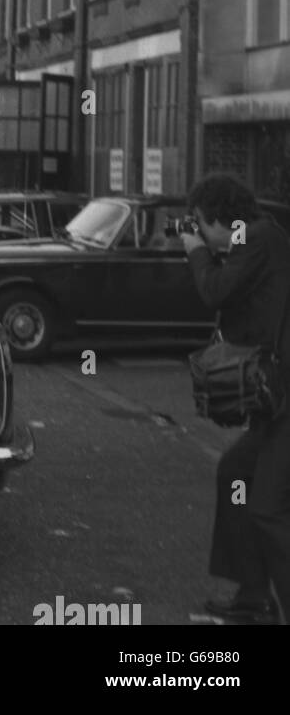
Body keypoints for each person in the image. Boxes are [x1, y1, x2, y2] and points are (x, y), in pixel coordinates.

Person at [182, 174, 290, 626]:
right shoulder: (261, 239)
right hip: (277, 400)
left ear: (221, 220)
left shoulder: (258, 237)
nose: (200, 234)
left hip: (287, 402)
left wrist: (197, 252)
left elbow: (215, 292)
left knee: (266, 506)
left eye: (202, 224)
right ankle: (252, 595)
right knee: (235, 474)